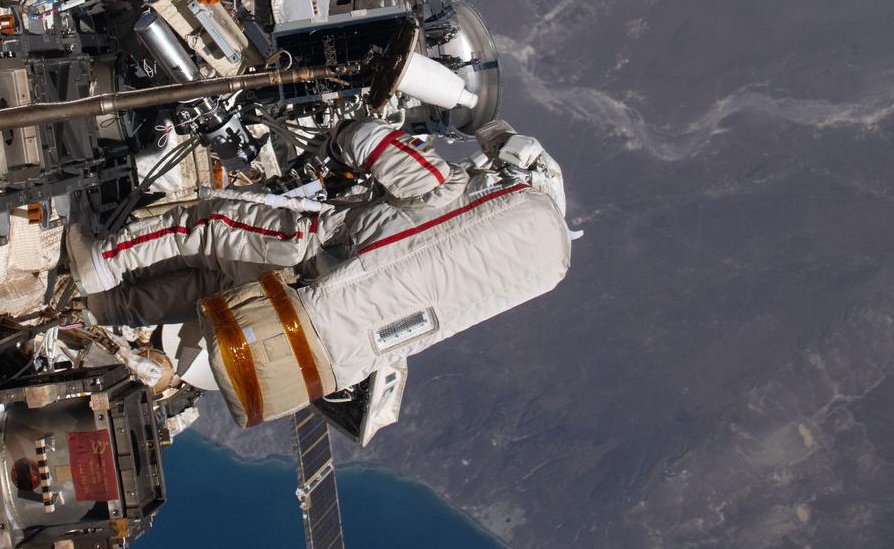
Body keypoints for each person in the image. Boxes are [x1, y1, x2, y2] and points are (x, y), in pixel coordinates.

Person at [66, 115, 571, 393]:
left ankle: (103, 261)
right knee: (208, 287)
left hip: (312, 248)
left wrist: (338, 140)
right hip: (316, 320)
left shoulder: (447, 190)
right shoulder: (508, 266)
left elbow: (369, 139)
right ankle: (100, 309)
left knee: (204, 227)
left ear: (511, 179)